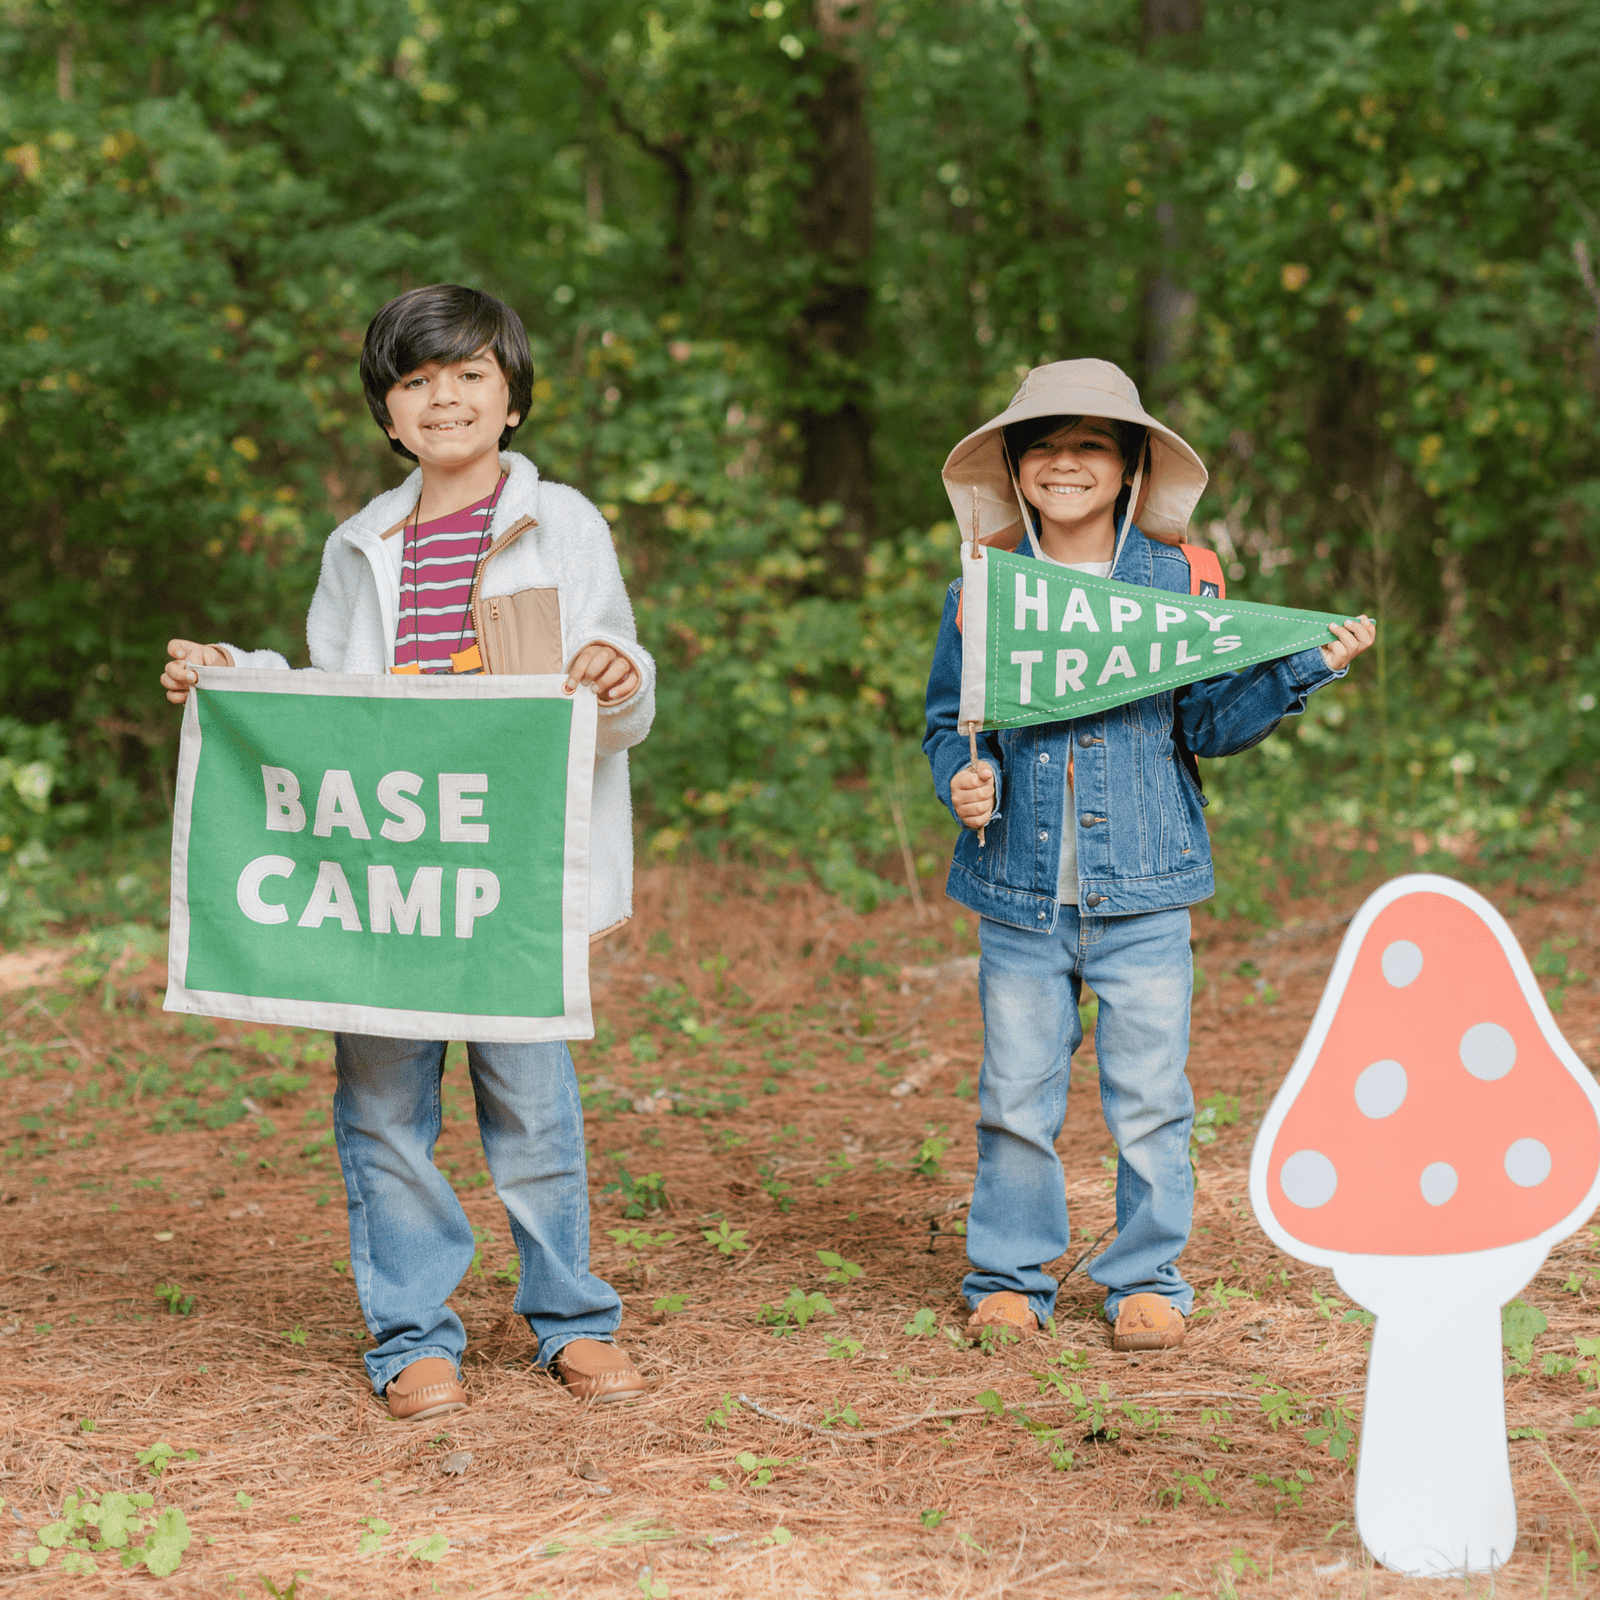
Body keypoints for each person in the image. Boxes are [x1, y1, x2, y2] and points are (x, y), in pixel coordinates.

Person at [159, 284, 655, 1416]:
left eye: (470, 374)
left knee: (533, 1104)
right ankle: (410, 1332)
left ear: (511, 399)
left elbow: (611, 674)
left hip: (510, 877)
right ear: (388, 415)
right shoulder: (360, 545)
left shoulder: (562, 521)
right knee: (383, 1109)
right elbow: (334, 695)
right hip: (384, 886)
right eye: (417, 381)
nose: (445, 398)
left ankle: (569, 1315)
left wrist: (620, 678)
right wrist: (232, 674)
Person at [923, 359, 1375, 1353]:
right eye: (1041, 442)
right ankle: (1008, 1272)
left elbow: (1208, 724)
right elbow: (945, 721)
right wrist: (961, 772)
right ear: (1012, 464)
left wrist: (1301, 665)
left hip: (1144, 893)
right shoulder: (987, 583)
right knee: (1013, 1094)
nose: (1064, 461)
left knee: (1150, 1094)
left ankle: (1145, 1275)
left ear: (1130, 465)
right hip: (1018, 894)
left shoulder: (1180, 581)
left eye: (1090, 443)